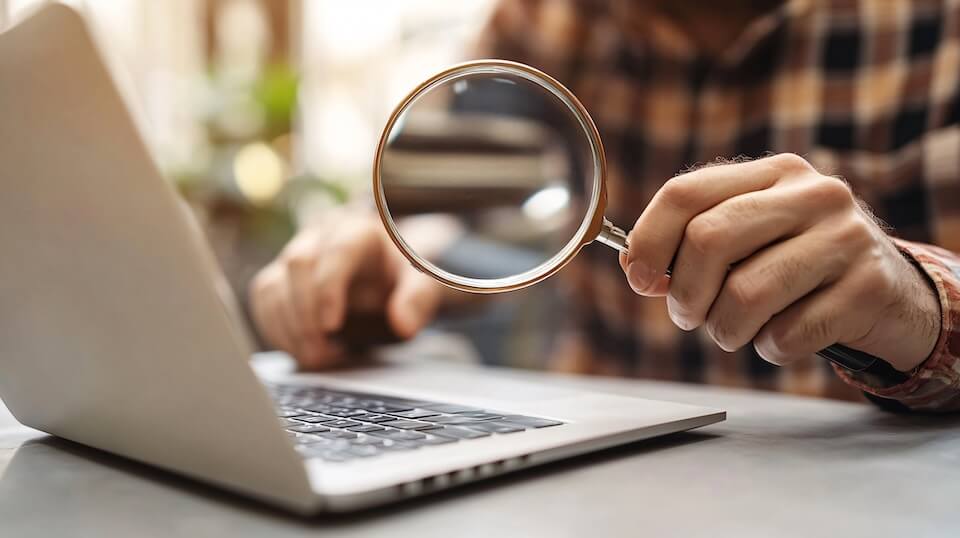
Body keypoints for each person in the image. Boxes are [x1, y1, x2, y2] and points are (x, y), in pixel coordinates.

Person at [250, 0, 960, 412]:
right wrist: (390, 253)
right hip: (583, 471)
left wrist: (916, 306)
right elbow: (460, 204)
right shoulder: (544, 21)